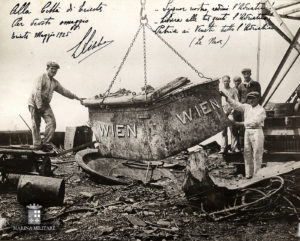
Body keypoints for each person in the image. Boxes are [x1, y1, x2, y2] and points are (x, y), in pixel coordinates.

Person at [28, 61, 83, 150]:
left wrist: (76, 97)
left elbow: (64, 91)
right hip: (34, 103)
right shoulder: (41, 77)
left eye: (55, 70)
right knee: (36, 124)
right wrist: (39, 106)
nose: (54, 71)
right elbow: (37, 92)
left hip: (45, 104)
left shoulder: (54, 82)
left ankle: (46, 143)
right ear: (47, 69)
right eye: (52, 69)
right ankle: (37, 145)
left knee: (52, 123)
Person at [220, 91, 266, 179]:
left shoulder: (261, 110)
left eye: (253, 98)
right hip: (247, 131)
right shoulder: (247, 107)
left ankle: (257, 176)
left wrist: (238, 123)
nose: (251, 100)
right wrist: (226, 97)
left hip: (257, 132)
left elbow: (255, 122)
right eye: (249, 98)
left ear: (257, 99)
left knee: (257, 154)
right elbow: (236, 104)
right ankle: (249, 174)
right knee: (247, 153)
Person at [219, 75, 239, 154]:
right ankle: (223, 148)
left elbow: (236, 102)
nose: (226, 82)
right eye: (224, 81)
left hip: (231, 111)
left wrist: (233, 110)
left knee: (233, 130)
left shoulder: (233, 91)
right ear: (222, 82)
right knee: (223, 131)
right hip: (223, 111)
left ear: (229, 81)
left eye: (227, 81)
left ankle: (234, 147)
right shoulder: (220, 91)